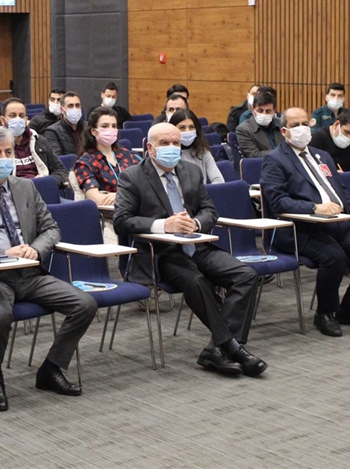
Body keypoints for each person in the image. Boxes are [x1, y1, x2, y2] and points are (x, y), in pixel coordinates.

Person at [0, 127, 97, 411]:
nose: (5, 158)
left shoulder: (26, 187)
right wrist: (3, 253)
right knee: (0, 315)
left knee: (84, 304)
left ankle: (51, 368)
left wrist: (36, 249)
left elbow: (51, 229)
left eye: (8, 152)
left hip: (29, 272)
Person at [113, 122, 265, 377]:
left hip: (197, 245)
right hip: (161, 253)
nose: (172, 147)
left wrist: (195, 223)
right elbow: (121, 220)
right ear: (150, 148)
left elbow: (209, 210)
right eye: (164, 143)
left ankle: (216, 350)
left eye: (175, 143)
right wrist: (164, 225)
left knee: (245, 275)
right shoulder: (133, 176)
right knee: (196, 281)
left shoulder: (191, 171)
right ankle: (233, 348)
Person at [261, 107, 350, 338]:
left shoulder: (322, 156)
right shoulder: (274, 159)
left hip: (338, 223)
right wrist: (314, 208)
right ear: (284, 131)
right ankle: (325, 313)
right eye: (295, 125)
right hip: (301, 229)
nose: (302, 129)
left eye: (305, 123)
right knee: (334, 256)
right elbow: (277, 202)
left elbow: (343, 191)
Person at [72, 107, 139, 243]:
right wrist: (128, 195)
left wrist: (117, 195)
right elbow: (96, 198)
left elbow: (145, 187)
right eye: (105, 126)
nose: (111, 130)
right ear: (93, 131)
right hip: (112, 217)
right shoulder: (85, 162)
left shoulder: (127, 155)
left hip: (139, 211)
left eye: (114, 126)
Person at [0, 98, 67, 187]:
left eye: (21, 116)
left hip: (42, 188)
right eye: (13, 115)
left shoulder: (38, 140)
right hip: (14, 191)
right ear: (3, 120)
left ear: (26, 119)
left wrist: (46, 181)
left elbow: (60, 170)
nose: (18, 119)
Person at [308, 109, 350, 174]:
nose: (349, 138)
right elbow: (308, 169)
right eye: (346, 132)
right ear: (336, 124)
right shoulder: (318, 137)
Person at [169, 108, 224, 183]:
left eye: (191, 127)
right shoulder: (168, 154)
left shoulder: (203, 152)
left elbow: (218, 180)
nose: (187, 131)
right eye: (182, 128)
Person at [236, 90, 282, 159]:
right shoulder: (243, 129)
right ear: (253, 110)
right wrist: (282, 153)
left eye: (268, 111)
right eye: (260, 111)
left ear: (274, 111)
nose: (264, 114)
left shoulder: (282, 124)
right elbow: (253, 155)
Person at [43, 92, 84, 156]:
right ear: (62, 110)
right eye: (70, 106)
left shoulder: (88, 127)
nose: (75, 108)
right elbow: (58, 158)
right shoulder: (52, 131)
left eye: (77, 105)